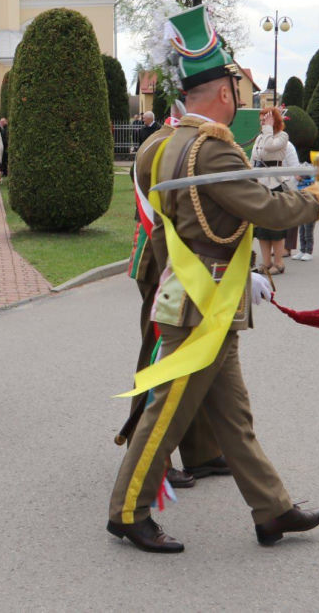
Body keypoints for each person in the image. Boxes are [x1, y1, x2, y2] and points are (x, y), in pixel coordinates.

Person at [107, 5, 319, 554]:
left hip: (208, 295)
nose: (240, 94)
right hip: (201, 306)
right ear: (221, 91)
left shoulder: (167, 145)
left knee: (234, 421)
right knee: (165, 412)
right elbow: (267, 210)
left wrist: (245, 273)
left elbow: (208, 223)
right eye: (236, 84)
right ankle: (126, 511)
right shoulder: (210, 147)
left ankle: (272, 511)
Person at [125, 106, 226, 491]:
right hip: (162, 264)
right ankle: (150, 454)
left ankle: (200, 451)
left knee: (193, 357)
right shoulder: (162, 146)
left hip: (184, 264)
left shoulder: (181, 142)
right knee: (157, 358)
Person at [249, 107, 292, 274]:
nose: (262, 124)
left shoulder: (282, 136)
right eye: (261, 121)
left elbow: (268, 149)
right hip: (260, 184)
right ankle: (266, 263)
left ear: (273, 120)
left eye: (265, 120)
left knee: (275, 226)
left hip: (275, 184)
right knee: (261, 228)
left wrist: (268, 129)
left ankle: (279, 263)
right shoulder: (260, 137)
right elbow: (254, 159)